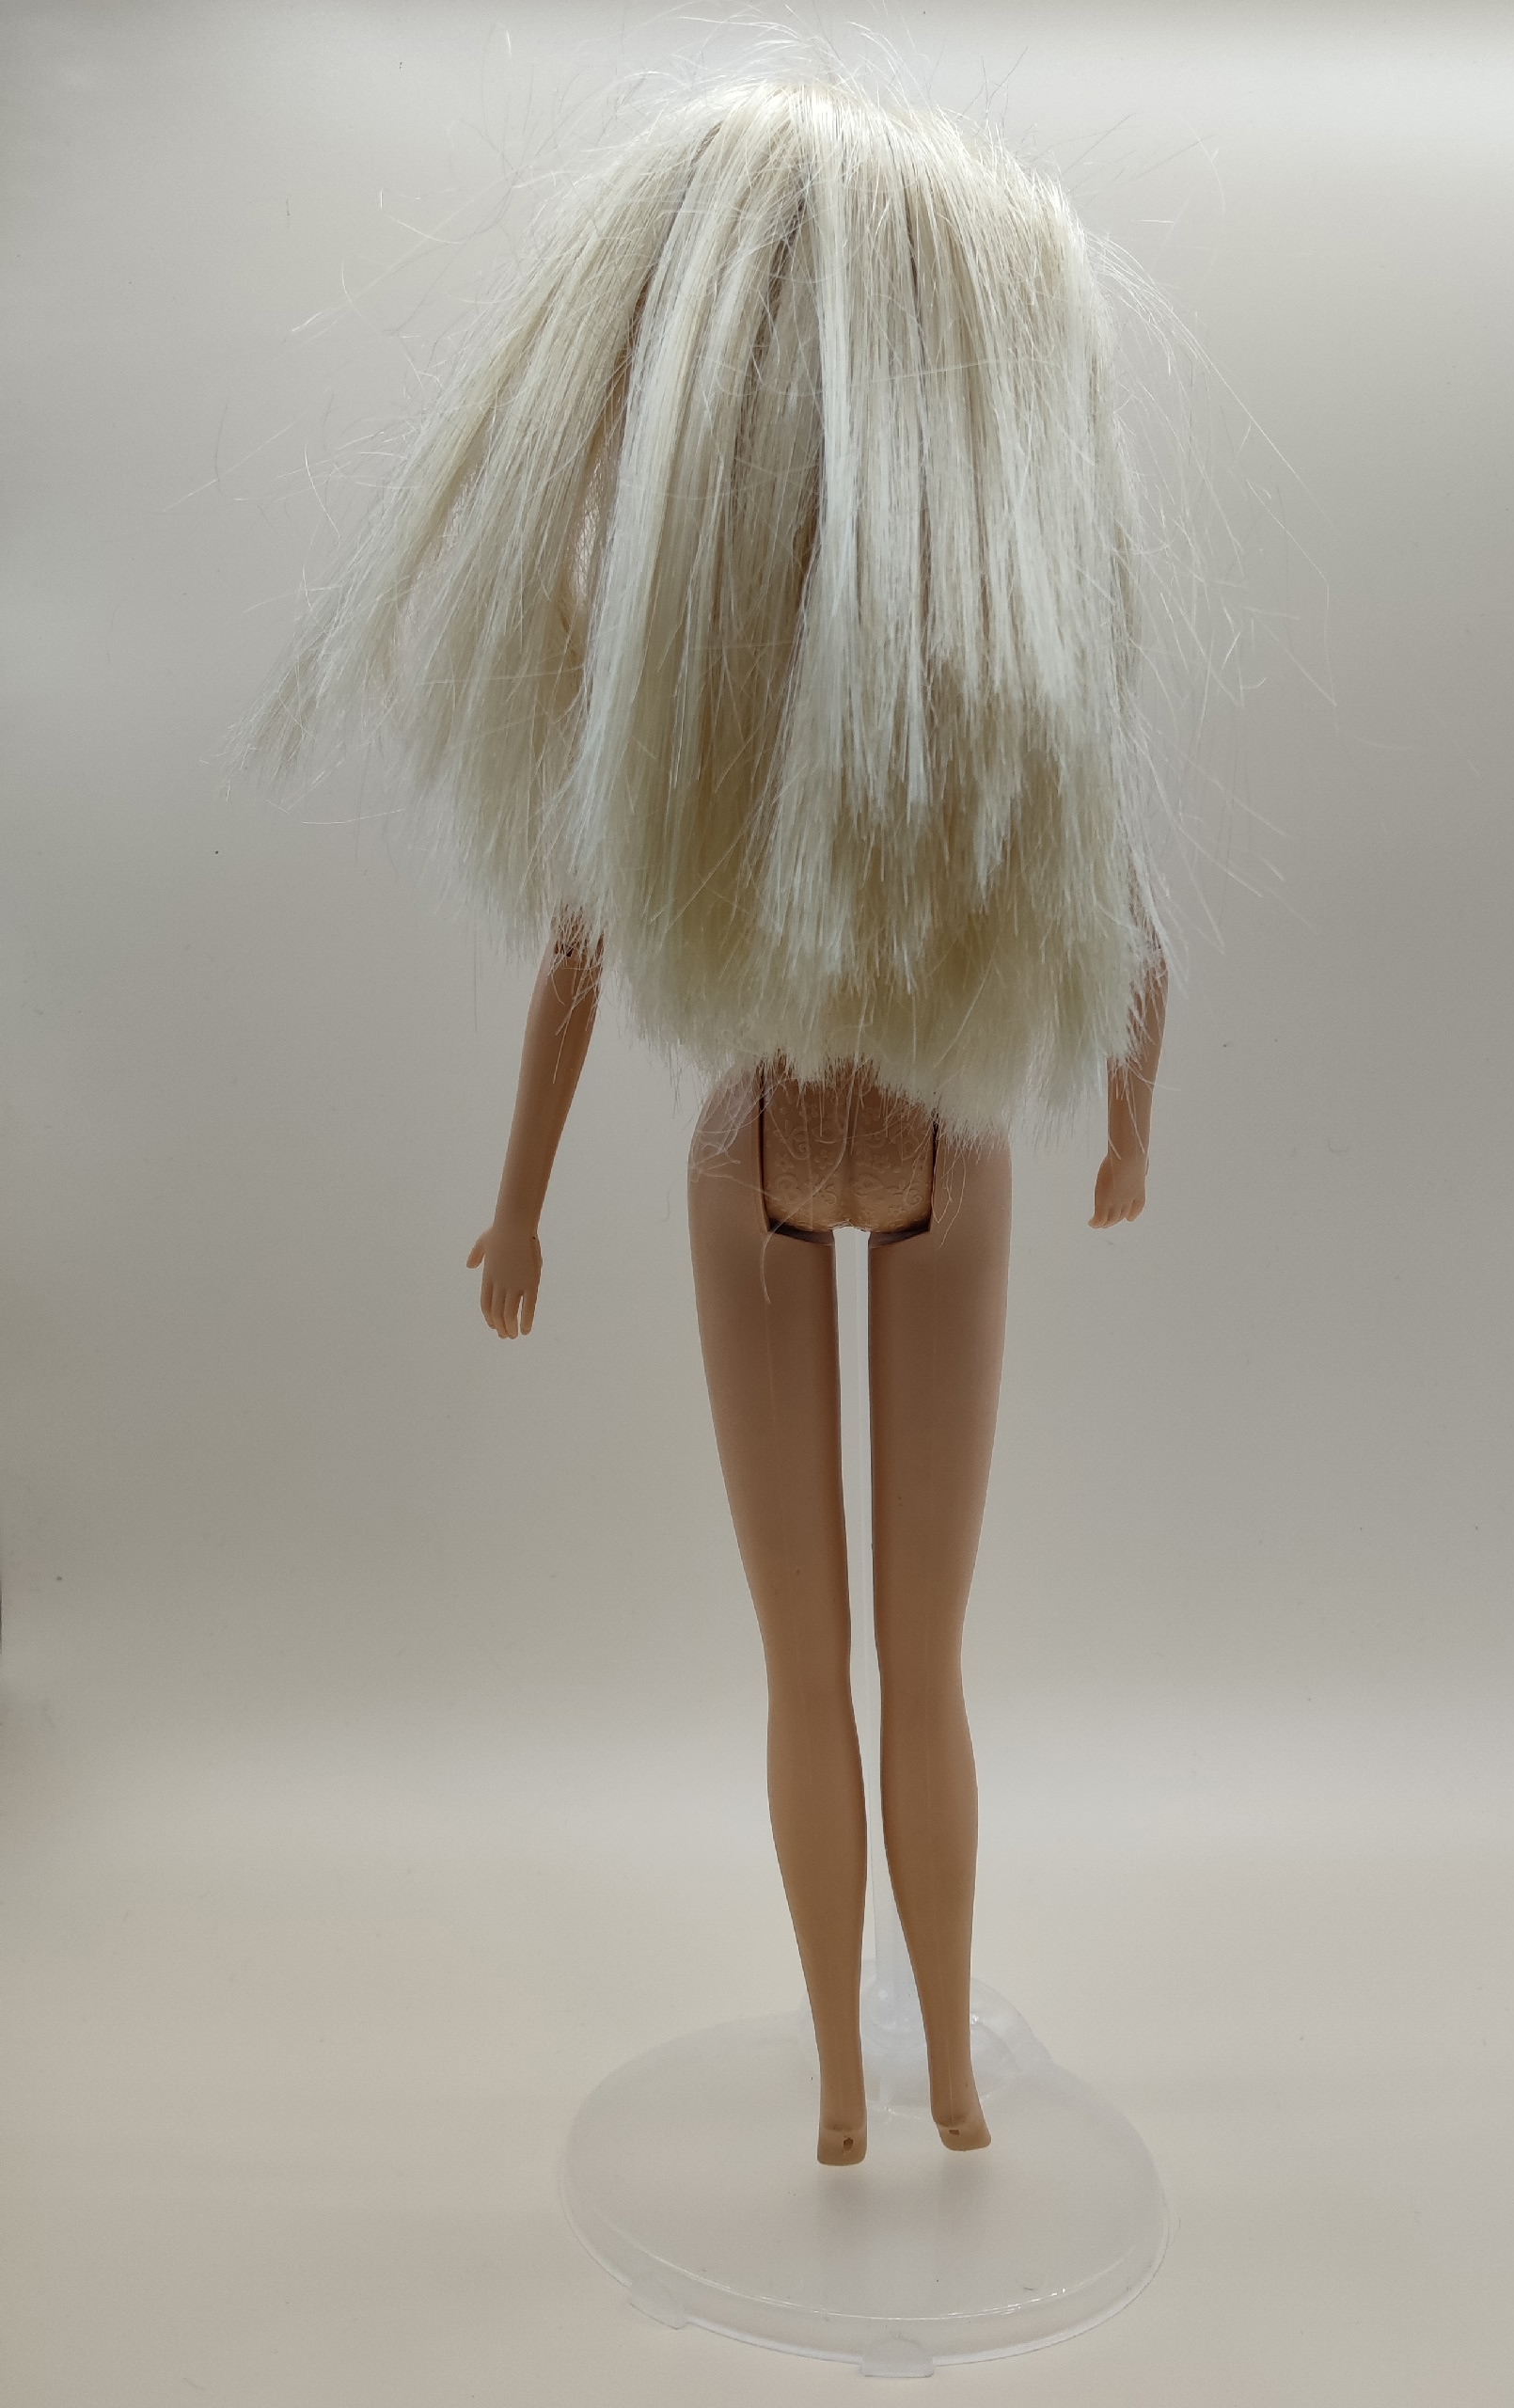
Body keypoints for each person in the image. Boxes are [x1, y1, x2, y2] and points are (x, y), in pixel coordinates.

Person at [248, 73, 1175, 2162]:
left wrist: (1127, 1122)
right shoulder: (850, 678)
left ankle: (909, 2070)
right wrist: (514, 1207)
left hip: (821, 1144)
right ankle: (870, 2079)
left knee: (870, 1661)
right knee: (857, 1660)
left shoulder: (905, 677)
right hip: (886, 1145)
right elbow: (602, 944)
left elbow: (1110, 918)